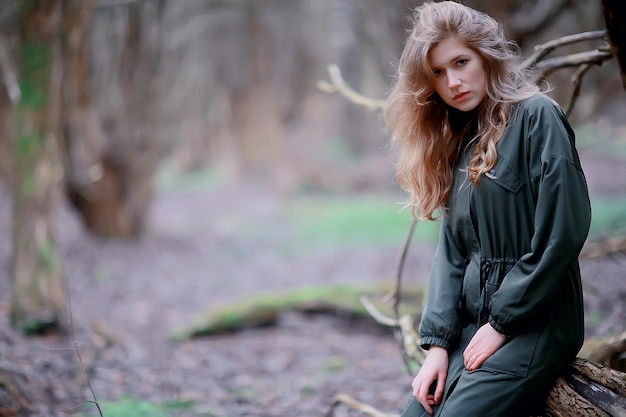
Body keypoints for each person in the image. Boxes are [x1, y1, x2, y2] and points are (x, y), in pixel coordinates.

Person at [383, 2, 592, 416]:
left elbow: (561, 233)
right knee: (416, 412)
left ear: (487, 56)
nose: (454, 82)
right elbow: (453, 252)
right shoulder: (462, 137)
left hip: (537, 319)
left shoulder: (538, 117)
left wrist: (502, 324)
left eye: (461, 62)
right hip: (472, 325)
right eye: (438, 73)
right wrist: (439, 345)